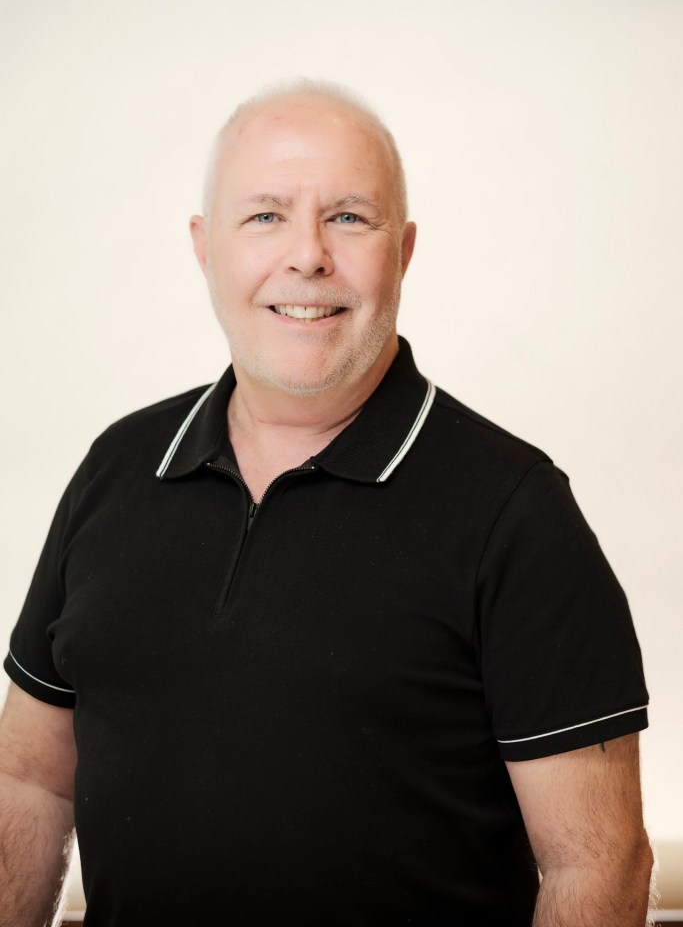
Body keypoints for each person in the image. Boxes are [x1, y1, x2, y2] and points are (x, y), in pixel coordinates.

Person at [0, 80, 653, 927]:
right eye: (264, 215)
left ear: (404, 249)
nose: (306, 255)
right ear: (205, 248)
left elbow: (594, 866)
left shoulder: (514, 513)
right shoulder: (118, 466)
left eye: (349, 217)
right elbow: (30, 780)